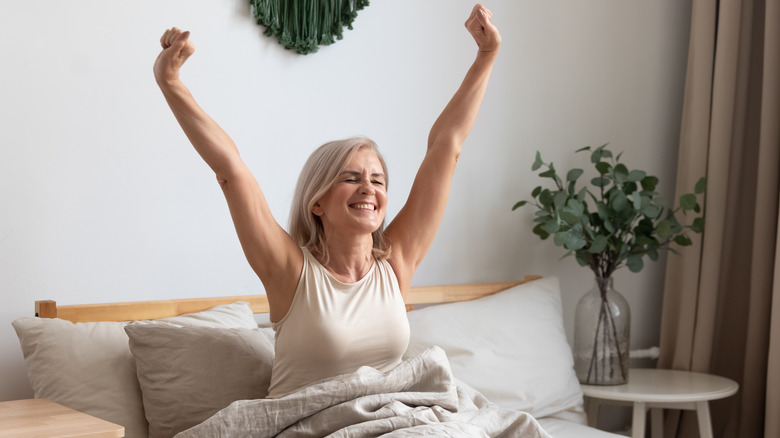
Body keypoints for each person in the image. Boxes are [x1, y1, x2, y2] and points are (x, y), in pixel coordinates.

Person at [154, 3, 501, 398]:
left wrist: (485, 57)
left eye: (377, 180)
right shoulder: (289, 270)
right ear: (316, 202)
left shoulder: (397, 262)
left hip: (391, 421)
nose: (369, 189)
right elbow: (231, 170)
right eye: (351, 179)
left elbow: (446, 147)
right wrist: (171, 83)